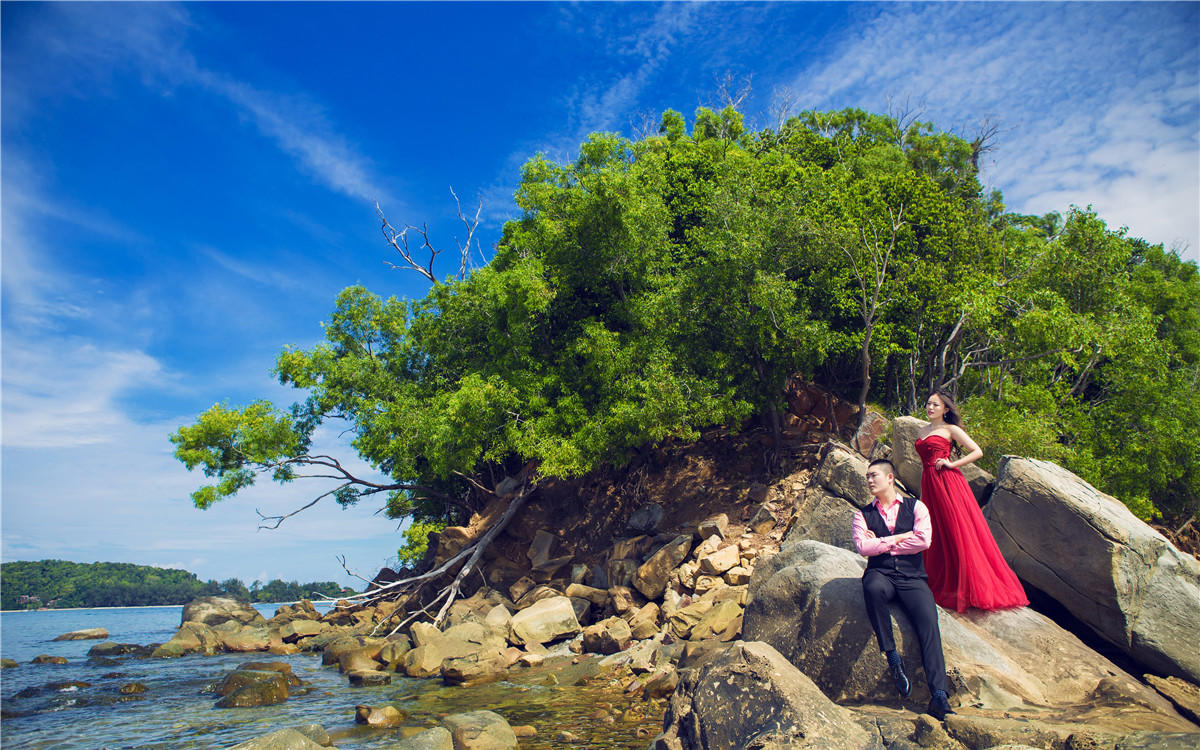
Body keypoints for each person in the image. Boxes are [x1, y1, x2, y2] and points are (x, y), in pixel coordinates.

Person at [852, 458, 954, 720]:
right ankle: (892, 657)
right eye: (867, 477)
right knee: (871, 586)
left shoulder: (916, 507)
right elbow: (863, 548)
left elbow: (924, 540)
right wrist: (899, 537)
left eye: (874, 475)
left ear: (890, 478)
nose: (869, 480)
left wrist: (883, 542)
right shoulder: (862, 514)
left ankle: (939, 695)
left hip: (912, 578)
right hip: (881, 574)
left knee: (929, 624)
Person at [917, 390, 1028, 612]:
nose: (930, 408)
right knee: (935, 531)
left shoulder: (951, 429)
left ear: (946, 409)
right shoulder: (923, 429)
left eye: (935, 405)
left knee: (956, 530)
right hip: (930, 484)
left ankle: (967, 587)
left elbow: (978, 451)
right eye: (928, 404)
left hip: (948, 483)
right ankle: (941, 579)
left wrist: (951, 464)